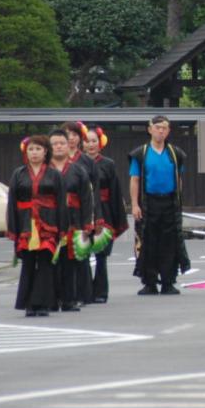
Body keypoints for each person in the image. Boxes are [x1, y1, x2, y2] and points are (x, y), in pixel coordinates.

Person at [8, 135, 66, 318]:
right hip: (26, 223)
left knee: (46, 264)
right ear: (26, 152)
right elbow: (12, 203)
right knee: (28, 263)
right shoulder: (18, 174)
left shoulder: (54, 174)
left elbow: (61, 203)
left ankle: (42, 303)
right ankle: (28, 304)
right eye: (31, 149)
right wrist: (13, 229)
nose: (34, 153)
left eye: (38, 149)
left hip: (48, 223)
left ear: (45, 151)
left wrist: (62, 229)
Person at [129, 114, 187, 296]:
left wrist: (178, 201)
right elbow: (135, 180)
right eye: (157, 128)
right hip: (149, 203)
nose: (161, 131)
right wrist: (135, 205)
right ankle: (150, 282)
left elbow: (179, 179)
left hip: (169, 202)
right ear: (150, 130)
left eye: (164, 128)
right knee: (149, 242)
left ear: (168, 131)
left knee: (169, 243)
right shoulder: (141, 153)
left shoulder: (175, 153)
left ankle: (168, 281)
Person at [48, 129, 94, 312]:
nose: (58, 147)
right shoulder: (44, 170)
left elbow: (86, 199)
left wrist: (86, 224)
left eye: (62, 143)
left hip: (73, 220)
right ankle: (51, 299)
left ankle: (69, 299)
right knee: (50, 262)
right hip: (49, 221)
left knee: (70, 263)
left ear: (69, 146)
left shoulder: (78, 170)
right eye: (54, 144)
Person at [82, 126, 127, 304]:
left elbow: (115, 191)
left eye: (94, 141)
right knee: (82, 253)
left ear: (100, 143)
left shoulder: (108, 164)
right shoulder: (76, 163)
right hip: (84, 211)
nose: (91, 144)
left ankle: (101, 292)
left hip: (105, 211)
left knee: (101, 255)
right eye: (87, 141)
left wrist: (118, 217)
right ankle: (85, 291)